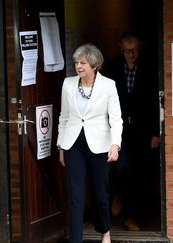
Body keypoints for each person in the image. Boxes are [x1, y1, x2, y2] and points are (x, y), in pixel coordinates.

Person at [57, 43, 123, 243]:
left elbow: (116, 118)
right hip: (73, 144)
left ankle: (105, 231)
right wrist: (61, 146)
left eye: (83, 63)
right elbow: (64, 117)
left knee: (100, 193)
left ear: (94, 65)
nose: (79, 66)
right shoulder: (68, 84)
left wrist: (115, 144)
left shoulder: (108, 85)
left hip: (100, 145)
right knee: (76, 197)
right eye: (77, 62)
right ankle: (76, 240)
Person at [102, 32, 160, 231]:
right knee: (120, 167)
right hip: (118, 128)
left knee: (139, 173)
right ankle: (118, 194)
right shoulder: (110, 68)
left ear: (140, 47)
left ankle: (132, 217)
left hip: (142, 129)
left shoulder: (151, 67)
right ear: (120, 48)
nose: (131, 54)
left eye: (134, 50)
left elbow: (155, 100)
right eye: (127, 51)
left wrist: (155, 131)